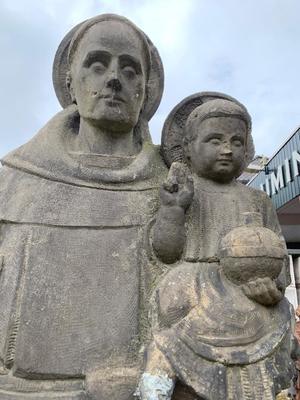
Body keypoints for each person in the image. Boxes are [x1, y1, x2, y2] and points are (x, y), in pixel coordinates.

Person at [0, 14, 167, 399]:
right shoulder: (17, 182)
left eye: (129, 69)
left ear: (146, 88)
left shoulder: (174, 187)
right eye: (97, 64)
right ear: (69, 81)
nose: (113, 79)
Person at [136, 97, 294, 400]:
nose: (227, 150)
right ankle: (158, 383)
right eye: (215, 140)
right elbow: (165, 254)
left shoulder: (257, 200)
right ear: (189, 146)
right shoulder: (184, 190)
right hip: (193, 287)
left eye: (237, 142)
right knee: (169, 338)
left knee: (282, 313)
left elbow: (278, 255)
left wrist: (272, 284)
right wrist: (172, 210)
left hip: (248, 290)